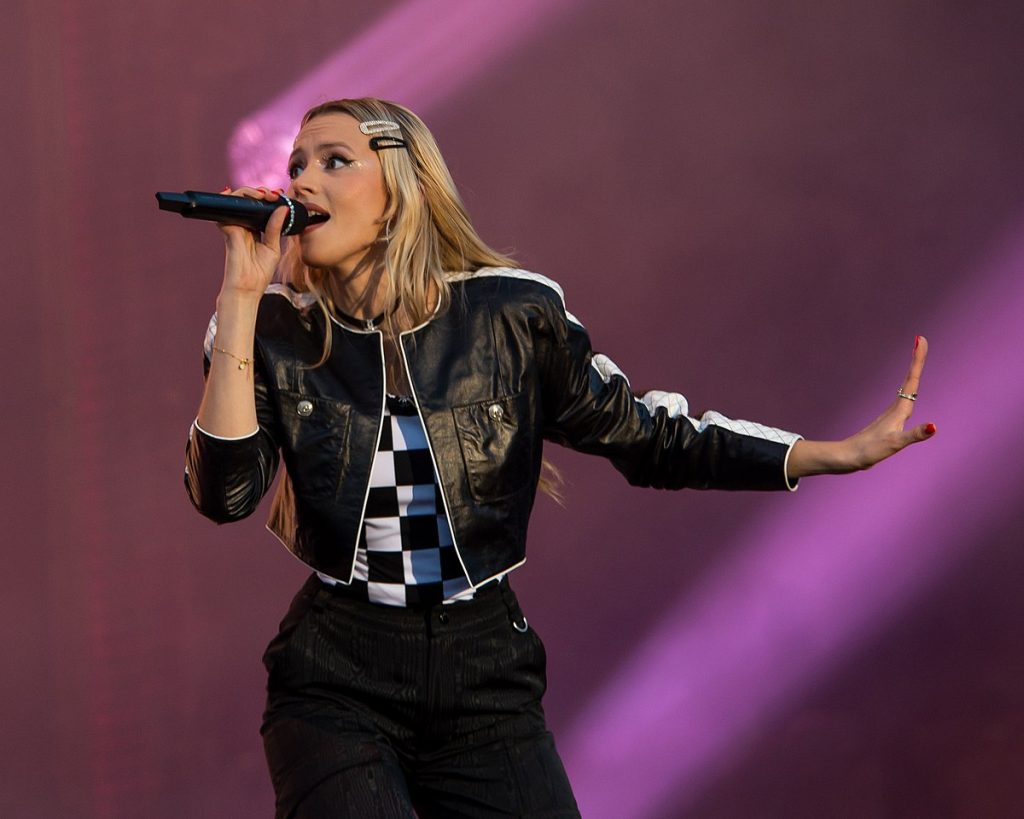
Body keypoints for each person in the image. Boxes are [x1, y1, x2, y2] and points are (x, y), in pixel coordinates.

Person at [184, 97, 934, 818]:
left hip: (483, 672)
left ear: (401, 188)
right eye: (296, 164)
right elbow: (225, 496)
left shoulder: (512, 314)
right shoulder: (272, 328)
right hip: (336, 671)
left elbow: (648, 435)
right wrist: (241, 298)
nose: (301, 182)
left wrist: (828, 454)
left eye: (334, 161)